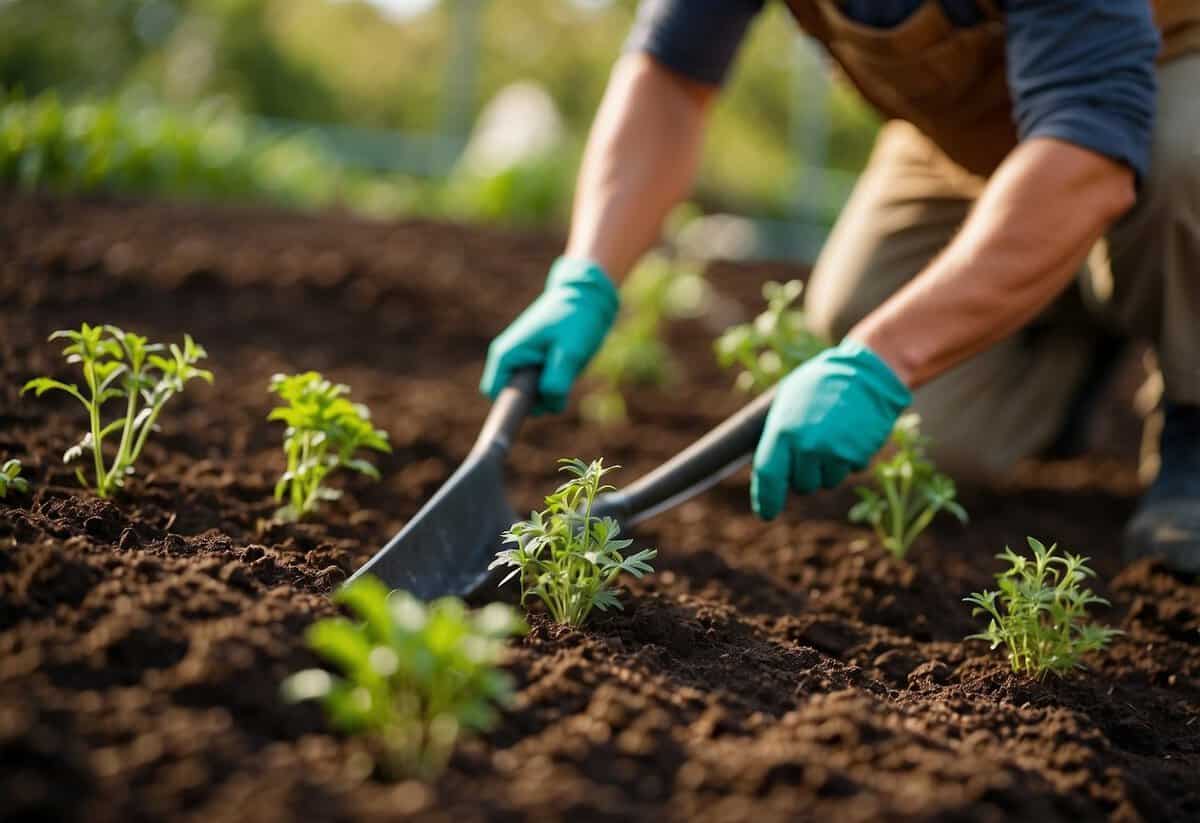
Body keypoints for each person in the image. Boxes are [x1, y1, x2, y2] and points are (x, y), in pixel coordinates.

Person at [480, 0, 1200, 573]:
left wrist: (886, 355)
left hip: (1157, 84)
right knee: (904, 397)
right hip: (971, 136)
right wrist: (588, 274)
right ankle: (1071, 338)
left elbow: (1091, 147)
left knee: (1183, 156)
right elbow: (670, 76)